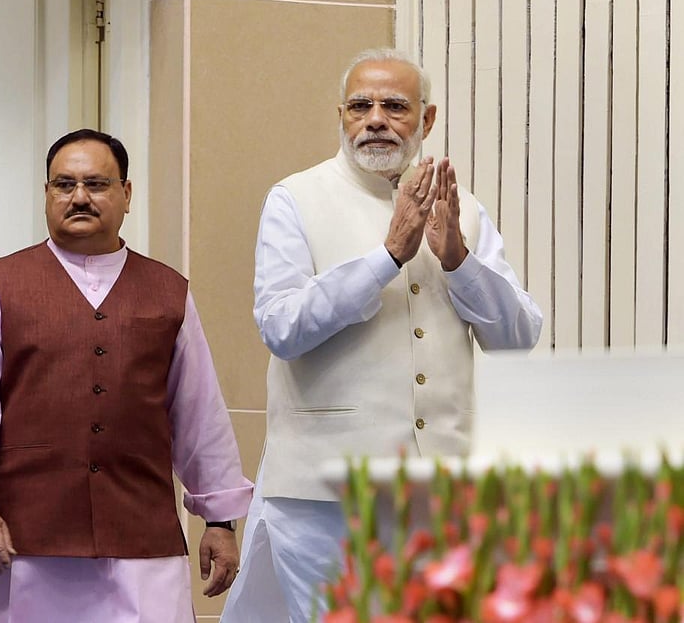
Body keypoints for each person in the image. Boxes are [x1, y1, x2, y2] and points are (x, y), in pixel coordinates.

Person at [221, 48, 544, 623]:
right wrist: (388, 256)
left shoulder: (462, 208)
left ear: (428, 119)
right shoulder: (296, 198)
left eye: (394, 105)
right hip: (326, 496)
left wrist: (459, 262)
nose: (375, 119)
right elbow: (281, 327)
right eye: (359, 106)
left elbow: (517, 339)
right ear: (340, 117)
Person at [0, 128, 253, 622]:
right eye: (64, 184)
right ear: (46, 195)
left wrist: (220, 520)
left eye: (96, 184)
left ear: (126, 194)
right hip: (25, 538)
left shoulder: (168, 292)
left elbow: (200, 413)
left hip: (141, 539)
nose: (79, 196)